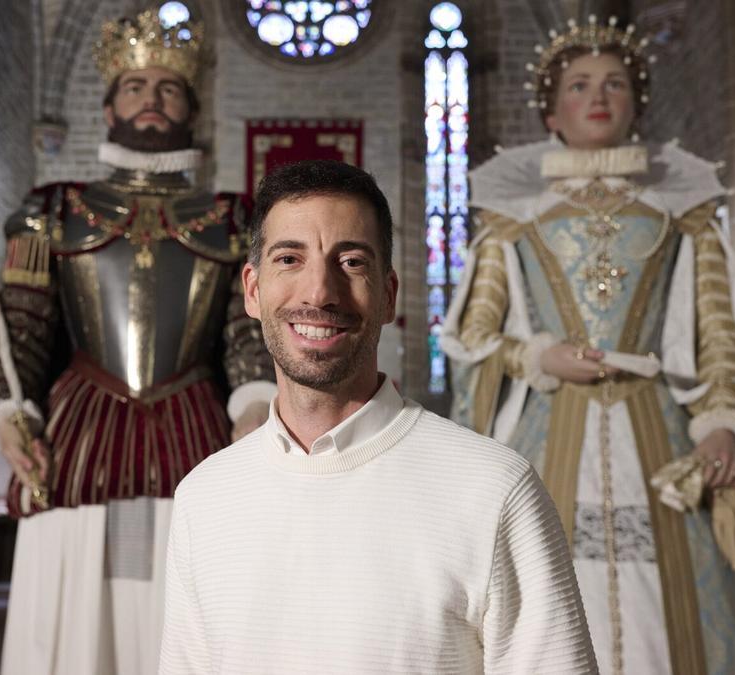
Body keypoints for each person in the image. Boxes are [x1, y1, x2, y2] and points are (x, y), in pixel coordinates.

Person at [441, 16, 735, 674]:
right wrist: (539, 356)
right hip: (547, 434)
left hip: (659, 428)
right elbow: (473, 338)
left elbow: (718, 333)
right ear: (551, 110)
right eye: (578, 85)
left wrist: (722, 424)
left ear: (636, 103)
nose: (598, 97)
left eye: (615, 83)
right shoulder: (510, 223)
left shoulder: (684, 213)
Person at [159, 160, 596, 674]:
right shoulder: (204, 497)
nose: (319, 292)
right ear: (253, 290)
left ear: (388, 296)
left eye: (350, 262)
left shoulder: (494, 489)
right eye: (290, 259)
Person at [0, 10, 274, 674]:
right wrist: (9, 421)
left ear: (190, 106)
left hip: (195, 424)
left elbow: (247, 331)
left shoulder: (234, 219)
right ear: (109, 103)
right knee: (72, 598)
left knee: (190, 590)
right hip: (81, 427)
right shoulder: (49, 211)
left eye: (169, 88)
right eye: (136, 85)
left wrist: (256, 409)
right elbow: (19, 328)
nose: (152, 98)